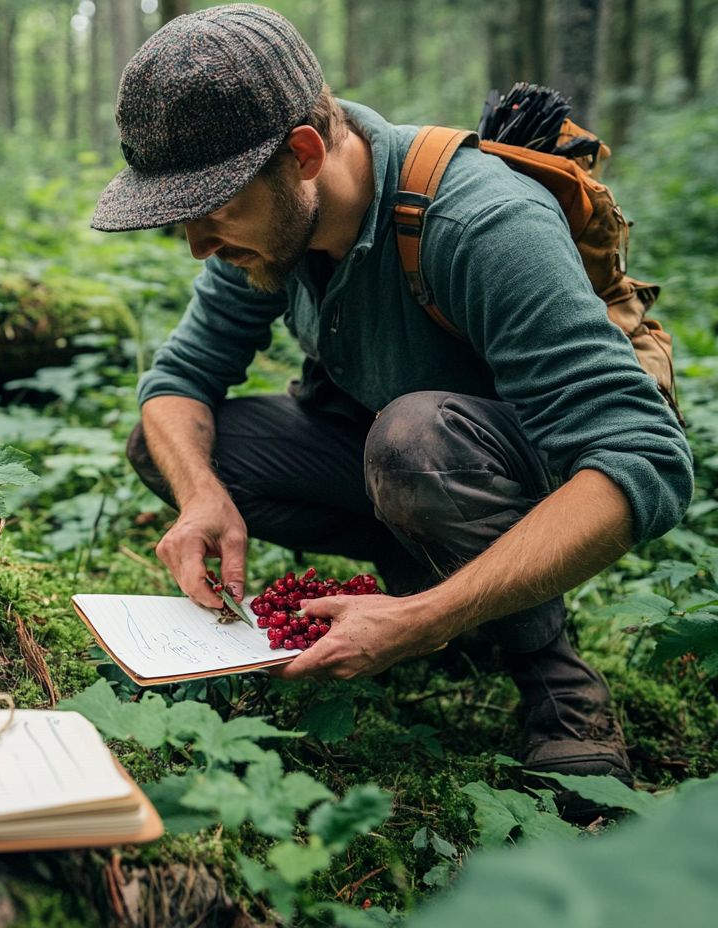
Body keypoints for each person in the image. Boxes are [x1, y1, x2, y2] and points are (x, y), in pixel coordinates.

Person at [90, 4, 693, 785]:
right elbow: (180, 382)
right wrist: (201, 495)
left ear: (303, 153)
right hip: (397, 460)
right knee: (172, 446)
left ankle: (553, 675)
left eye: (212, 212)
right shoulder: (271, 222)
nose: (199, 245)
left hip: (520, 467)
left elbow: (642, 457)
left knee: (413, 443)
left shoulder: (481, 220)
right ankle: (432, 574)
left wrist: (422, 622)